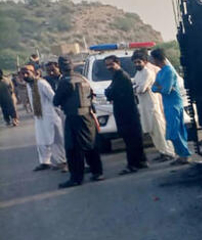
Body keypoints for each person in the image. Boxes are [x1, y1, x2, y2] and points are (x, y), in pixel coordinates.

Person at [53, 56, 103, 188]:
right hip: (87, 115)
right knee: (90, 144)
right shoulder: (82, 78)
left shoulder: (65, 81)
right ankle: (97, 171)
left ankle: (76, 178)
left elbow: (56, 101)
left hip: (74, 116)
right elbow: (92, 95)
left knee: (73, 148)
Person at [103, 55, 147, 174]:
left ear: (118, 63)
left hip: (127, 112)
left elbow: (112, 93)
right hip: (125, 111)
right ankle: (140, 161)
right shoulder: (117, 77)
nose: (109, 67)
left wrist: (109, 93)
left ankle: (133, 164)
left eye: (111, 64)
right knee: (134, 138)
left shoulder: (121, 76)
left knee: (130, 139)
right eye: (107, 65)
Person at [21, 64, 66, 171]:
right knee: (41, 139)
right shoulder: (29, 85)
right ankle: (45, 162)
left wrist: (59, 113)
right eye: (23, 74)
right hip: (39, 116)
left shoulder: (42, 83)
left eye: (27, 73)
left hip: (50, 116)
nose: (25, 75)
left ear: (35, 72)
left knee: (55, 139)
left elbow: (54, 98)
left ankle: (63, 161)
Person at [131, 50, 174, 162]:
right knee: (152, 131)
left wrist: (136, 88)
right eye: (135, 62)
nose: (137, 64)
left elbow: (141, 88)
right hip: (144, 106)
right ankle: (161, 151)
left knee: (160, 129)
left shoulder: (148, 73)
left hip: (153, 105)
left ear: (145, 61)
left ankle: (169, 152)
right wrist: (136, 88)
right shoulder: (138, 74)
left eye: (139, 62)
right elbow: (136, 88)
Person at [150, 49, 191, 165]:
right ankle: (181, 154)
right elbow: (154, 88)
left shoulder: (169, 71)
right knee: (173, 130)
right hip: (167, 104)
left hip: (174, 103)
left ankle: (185, 154)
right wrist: (161, 88)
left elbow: (165, 89)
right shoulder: (160, 72)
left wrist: (160, 88)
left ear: (157, 59)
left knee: (176, 130)